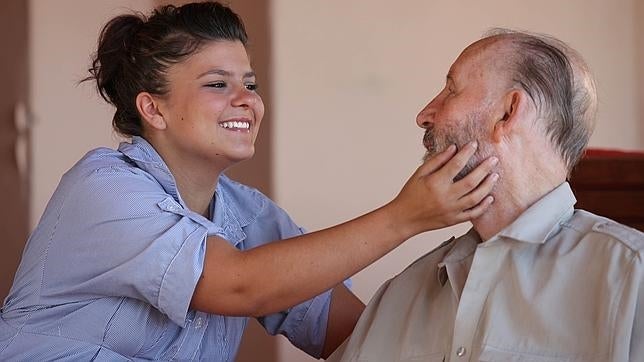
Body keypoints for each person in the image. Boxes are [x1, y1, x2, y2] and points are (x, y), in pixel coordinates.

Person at [0, 3, 499, 361]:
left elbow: (350, 333)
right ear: (153, 108)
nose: (246, 100)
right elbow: (239, 286)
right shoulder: (101, 187)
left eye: (250, 84)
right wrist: (404, 217)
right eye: (218, 84)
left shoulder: (250, 216)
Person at [328, 29, 644, 362]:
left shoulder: (631, 277)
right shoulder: (401, 294)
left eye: (451, 90)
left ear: (508, 112)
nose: (424, 115)